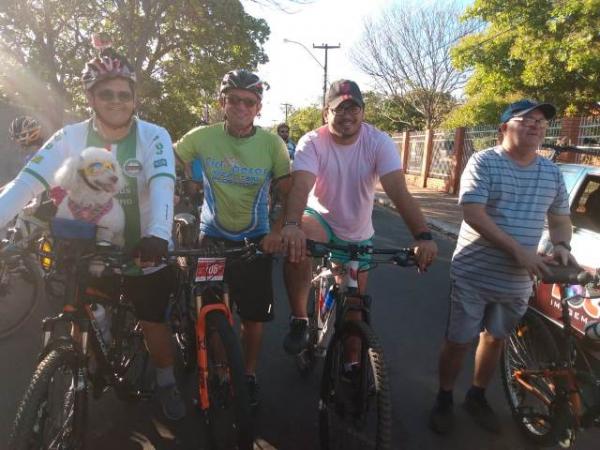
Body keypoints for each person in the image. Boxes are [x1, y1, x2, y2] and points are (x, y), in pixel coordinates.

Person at [0, 46, 184, 420]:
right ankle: (86, 356)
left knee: (152, 323)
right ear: (90, 98)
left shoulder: (154, 135)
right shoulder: (69, 136)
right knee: (85, 309)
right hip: (88, 247)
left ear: (134, 97)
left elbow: (164, 184)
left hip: (144, 243)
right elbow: (27, 183)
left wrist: (159, 235)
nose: (116, 101)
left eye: (124, 94)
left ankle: (166, 382)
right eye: (106, 93)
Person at [429, 99, 574, 435]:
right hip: (474, 272)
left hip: (518, 280)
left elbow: (560, 218)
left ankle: (477, 396)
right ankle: (444, 398)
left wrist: (563, 246)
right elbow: (473, 213)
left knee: (495, 338)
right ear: (504, 128)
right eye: (526, 119)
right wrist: (519, 251)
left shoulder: (551, 172)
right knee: (459, 341)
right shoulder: (484, 162)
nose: (536, 125)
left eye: (541, 121)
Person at [280, 79, 438, 358]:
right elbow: (301, 187)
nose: (347, 115)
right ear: (325, 114)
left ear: (363, 112)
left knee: (355, 315)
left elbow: (398, 192)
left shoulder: (379, 141)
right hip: (321, 217)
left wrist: (423, 236)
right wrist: (291, 226)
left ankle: (352, 369)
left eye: (354, 109)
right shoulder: (312, 141)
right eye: (339, 109)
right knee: (298, 245)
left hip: (358, 229)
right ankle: (299, 319)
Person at [175, 69, 291, 407]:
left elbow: (287, 192)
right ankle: (223, 370)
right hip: (212, 237)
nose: (241, 106)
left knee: (253, 318)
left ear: (259, 107)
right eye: (234, 100)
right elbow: (165, 160)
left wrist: (278, 230)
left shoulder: (273, 144)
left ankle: (248, 373)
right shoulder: (201, 136)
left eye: (249, 101)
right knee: (212, 313)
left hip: (256, 241)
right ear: (221, 103)